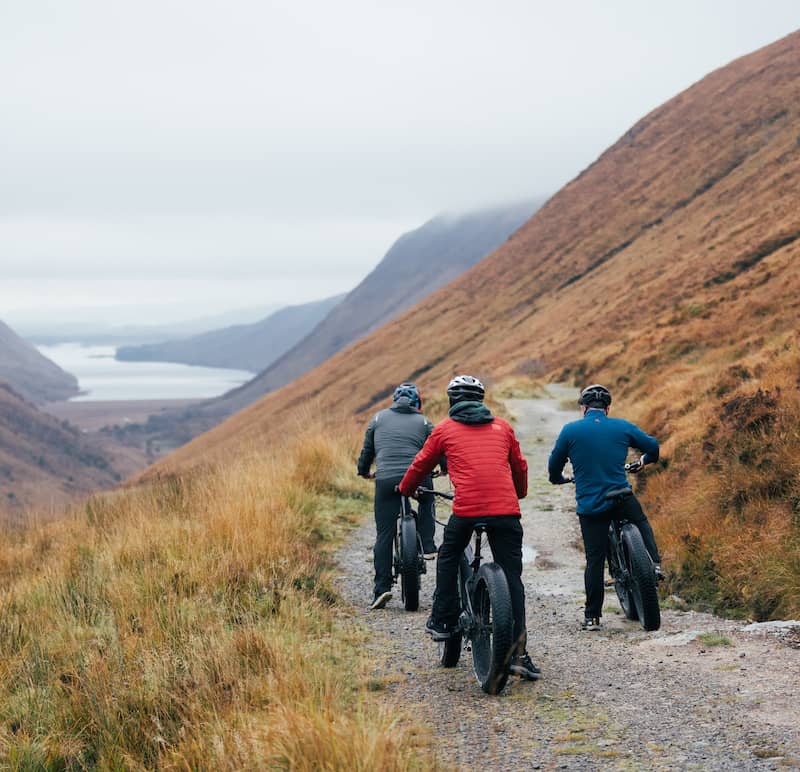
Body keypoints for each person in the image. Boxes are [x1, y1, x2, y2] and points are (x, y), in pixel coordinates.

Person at [398, 375, 541, 681]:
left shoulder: (444, 429)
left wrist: (406, 488)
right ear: (481, 400)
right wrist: (520, 492)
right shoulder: (502, 426)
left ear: (452, 402)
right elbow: (520, 466)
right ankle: (520, 654)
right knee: (512, 578)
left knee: (448, 554)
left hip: (467, 511)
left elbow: (421, 464)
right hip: (506, 512)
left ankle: (444, 620)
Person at [548, 384, 662, 631]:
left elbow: (554, 463)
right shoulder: (622, 426)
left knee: (595, 560)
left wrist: (557, 478)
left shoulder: (570, 430)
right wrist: (643, 461)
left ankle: (592, 617)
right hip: (621, 496)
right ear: (607, 409)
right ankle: (654, 564)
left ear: (584, 408)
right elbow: (652, 447)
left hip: (592, 506)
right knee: (641, 522)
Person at [357, 382, 438, 610]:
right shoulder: (423, 422)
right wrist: (443, 467)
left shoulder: (378, 419)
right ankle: (428, 543)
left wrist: (364, 471)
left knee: (384, 534)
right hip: (418, 477)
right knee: (427, 498)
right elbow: (436, 448)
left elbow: (367, 450)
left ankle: (381, 589)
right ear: (417, 403)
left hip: (386, 480)